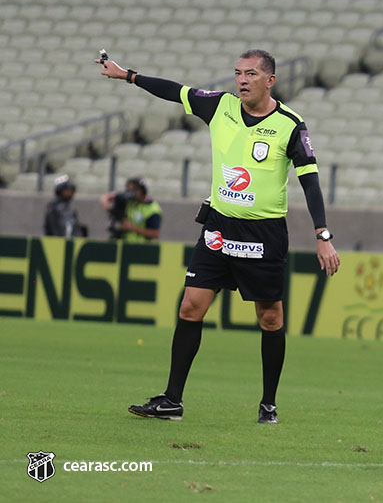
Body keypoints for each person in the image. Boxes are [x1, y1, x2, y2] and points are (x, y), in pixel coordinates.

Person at [97, 48, 340, 424]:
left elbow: (310, 182)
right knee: (190, 306)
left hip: (264, 233)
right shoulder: (220, 107)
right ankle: (172, 400)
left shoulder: (290, 125)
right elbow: (174, 91)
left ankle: (268, 403)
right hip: (220, 227)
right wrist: (127, 75)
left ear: (270, 80)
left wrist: (322, 234)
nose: (242, 80)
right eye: (238, 72)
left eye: (251, 74)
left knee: (270, 319)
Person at [100, 176, 162, 241]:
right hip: (126, 243)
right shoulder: (129, 202)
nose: (131, 193)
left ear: (142, 190)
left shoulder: (152, 209)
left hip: (144, 247)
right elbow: (109, 197)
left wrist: (132, 228)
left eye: (134, 190)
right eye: (129, 190)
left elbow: (155, 234)